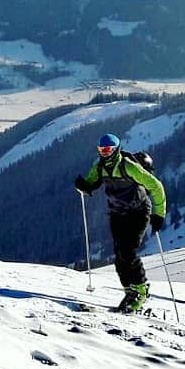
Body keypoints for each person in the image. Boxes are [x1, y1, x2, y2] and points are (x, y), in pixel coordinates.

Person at [73, 133, 167, 313]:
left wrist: (158, 214)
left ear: (116, 149)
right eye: (101, 150)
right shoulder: (100, 167)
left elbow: (156, 186)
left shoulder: (128, 166)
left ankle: (140, 290)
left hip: (138, 212)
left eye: (108, 149)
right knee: (119, 255)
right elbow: (92, 181)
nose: (104, 153)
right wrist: (85, 186)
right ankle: (130, 291)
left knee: (128, 251)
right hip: (117, 213)